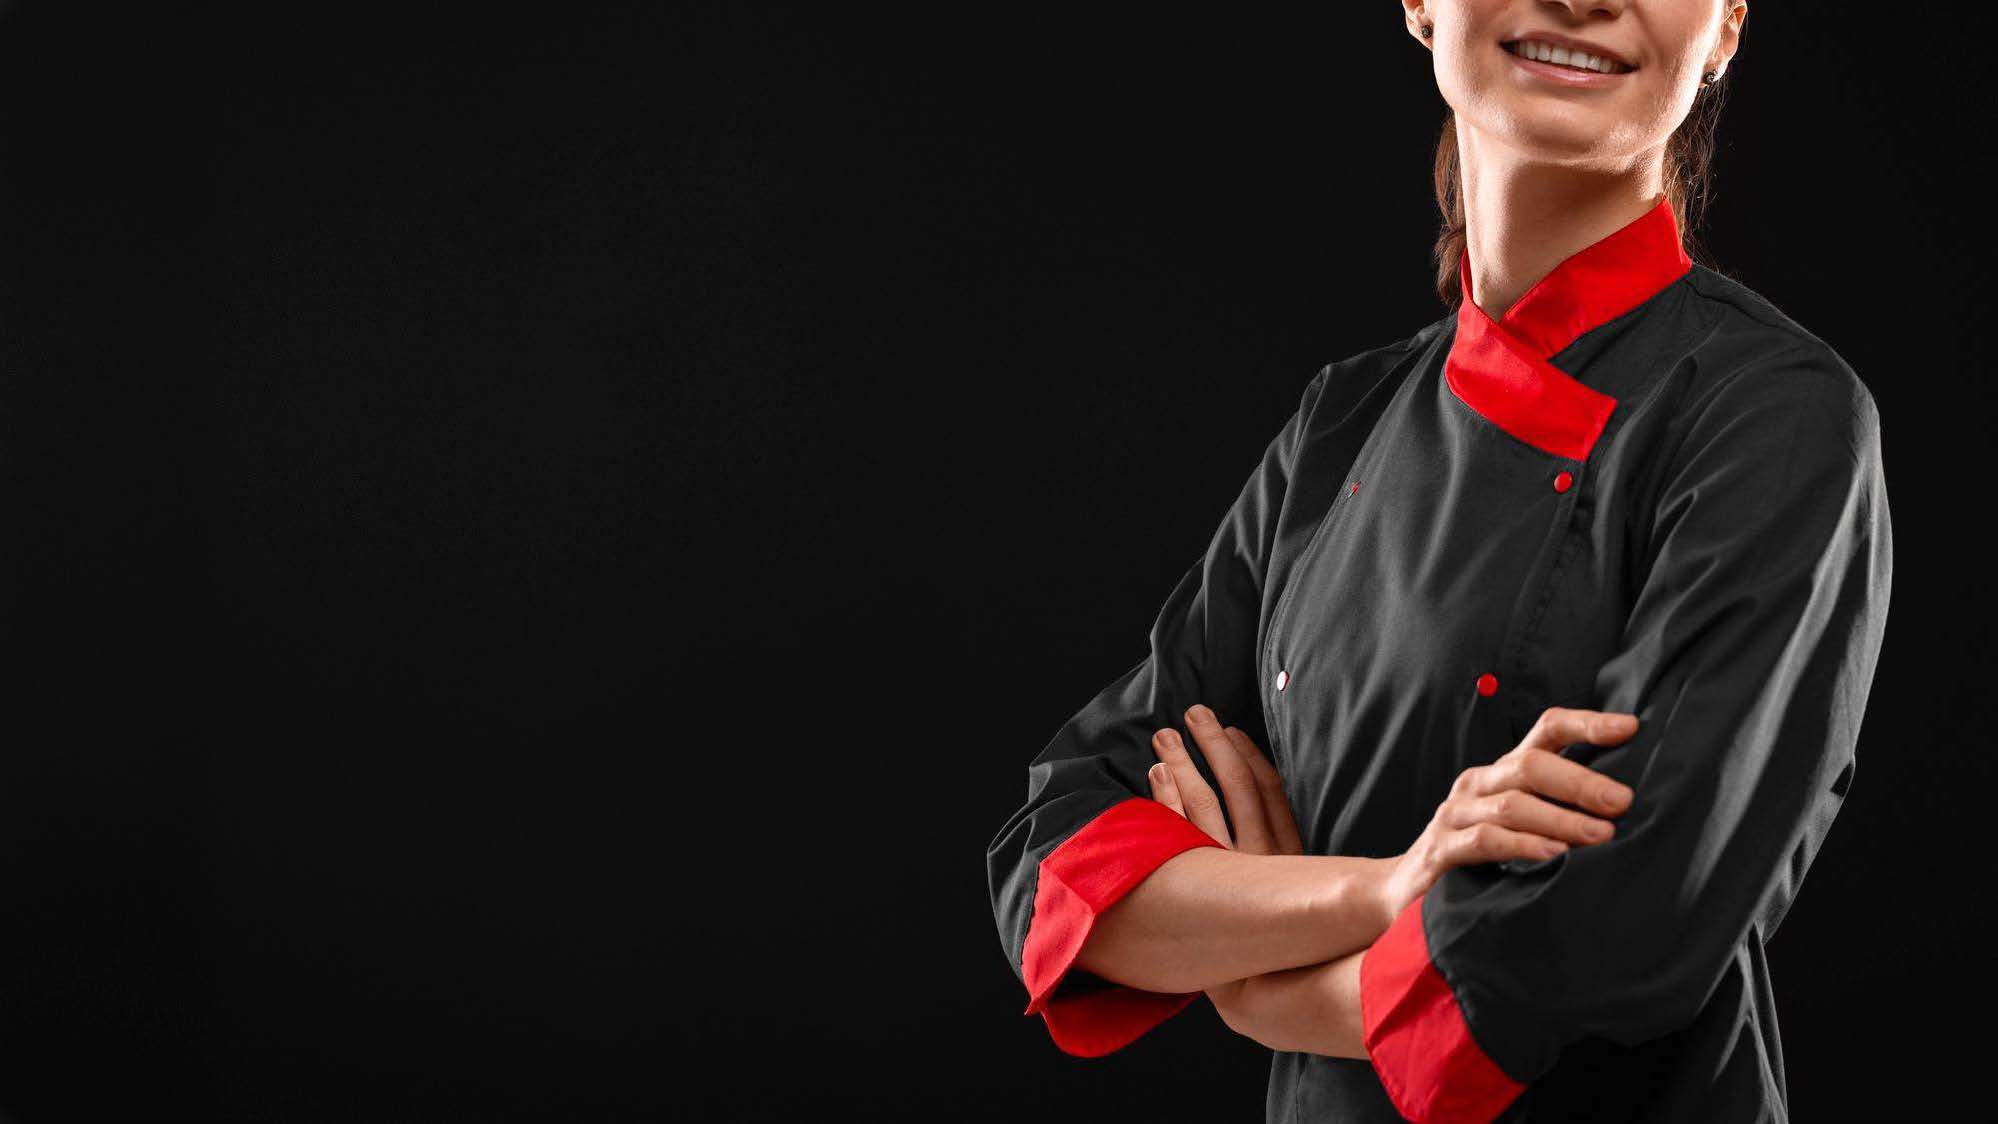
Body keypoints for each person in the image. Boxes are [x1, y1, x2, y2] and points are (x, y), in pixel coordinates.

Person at [984, 2, 1893, 1121]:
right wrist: (1379, 888)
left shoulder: (1777, 416)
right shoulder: (1343, 421)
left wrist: (1259, 983)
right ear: (1420, 4)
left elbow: (1616, 932)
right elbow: (1057, 854)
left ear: (1724, 29)